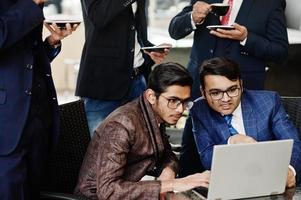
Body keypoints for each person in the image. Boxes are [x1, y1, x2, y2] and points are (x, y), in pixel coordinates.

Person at [168, 0, 289, 177]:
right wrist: (193, 17)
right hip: (201, 93)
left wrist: (246, 38)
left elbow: (280, 52)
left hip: (241, 94)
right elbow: (174, 30)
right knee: (191, 154)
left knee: (244, 159)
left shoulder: (269, 3)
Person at [74, 63, 210, 200]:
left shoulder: (155, 113)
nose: (181, 109)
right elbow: (108, 191)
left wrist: (168, 171)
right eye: (173, 100)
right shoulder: (121, 125)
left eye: (184, 101)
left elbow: (167, 154)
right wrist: (169, 184)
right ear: (151, 96)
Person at [0, 1, 77, 199]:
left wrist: (51, 42)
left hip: (38, 120)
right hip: (7, 124)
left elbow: (25, 60)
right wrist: (31, 4)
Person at [186, 57, 301, 187]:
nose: (226, 99)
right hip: (230, 184)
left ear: (241, 85)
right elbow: (206, 158)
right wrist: (231, 142)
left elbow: (293, 143)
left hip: (271, 180)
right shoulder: (199, 110)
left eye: (232, 90)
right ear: (203, 92)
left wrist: (290, 171)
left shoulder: (269, 102)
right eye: (216, 93)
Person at [77, 0, 171, 135]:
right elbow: (98, 17)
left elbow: (133, 30)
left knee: (141, 148)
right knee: (99, 150)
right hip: (103, 84)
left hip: (138, 81)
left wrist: (149, 52)